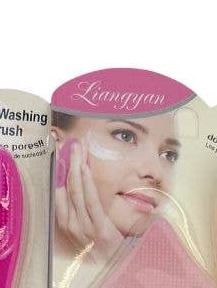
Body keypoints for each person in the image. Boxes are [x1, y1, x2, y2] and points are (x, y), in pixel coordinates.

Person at [51, 111, 181, 264]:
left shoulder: (172, 265)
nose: (156, 172)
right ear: (56, 144)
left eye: (169, 155)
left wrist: (113, 258)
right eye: (125, 136)